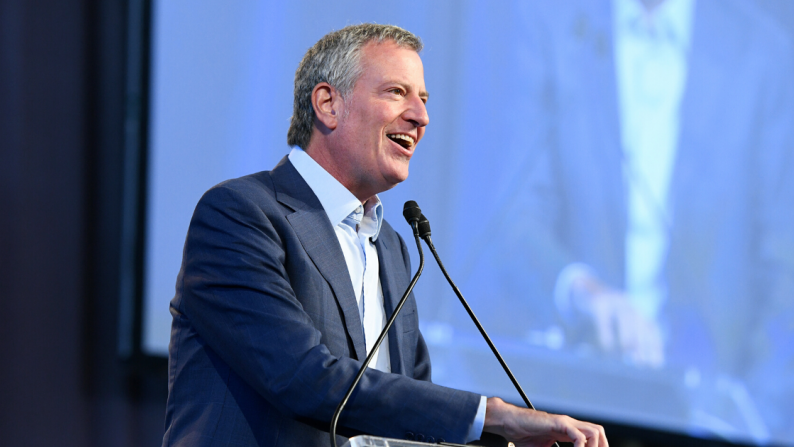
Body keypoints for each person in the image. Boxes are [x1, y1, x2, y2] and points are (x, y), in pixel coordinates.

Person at [161, 24, 608, 447]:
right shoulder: (241, 214)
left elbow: (408, 416)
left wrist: (504, 440)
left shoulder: (393, 245)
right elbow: (302, 377)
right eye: (397, 93)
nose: (421, 116)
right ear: (328, 104)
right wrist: (493, 414)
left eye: (424, 99)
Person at [450, 0, 794, 442]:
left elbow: (784, 270)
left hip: (715, 420)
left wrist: (758, 422)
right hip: (571, 405)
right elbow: (515, 225)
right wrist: (580, 289)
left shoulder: (761, 52)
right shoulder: (556, 27)